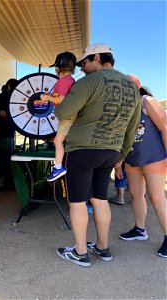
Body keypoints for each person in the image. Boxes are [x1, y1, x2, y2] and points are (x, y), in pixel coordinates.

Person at [54, 43, 141, 267]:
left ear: (98, 58)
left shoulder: (88, 82)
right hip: (111, 151)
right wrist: (121, 153)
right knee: (100, 199)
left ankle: (80, 252)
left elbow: (63, 112)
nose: (81, 68)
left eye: (84, 62)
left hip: (82, 150)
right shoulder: (132, 86)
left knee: (77, 202)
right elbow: (132, 126)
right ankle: (102, 247)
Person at [118, 75, 167, 258]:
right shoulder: (124, 109)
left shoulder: (147, 101)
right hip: (133, 159)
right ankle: (140, 229)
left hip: (153, 157)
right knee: (137, 194)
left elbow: (165, 127)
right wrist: (119, 163)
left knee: (156, 197)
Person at [40, 51, 77, 181]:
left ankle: (58, 167)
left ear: (57, 68)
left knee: (57, 141)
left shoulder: (62, 81)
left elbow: (60, 100)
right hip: (74, 116)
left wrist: (45, 97)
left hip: (67, 116)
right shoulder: (71, 80)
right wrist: (50, 96)